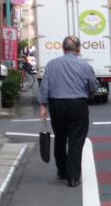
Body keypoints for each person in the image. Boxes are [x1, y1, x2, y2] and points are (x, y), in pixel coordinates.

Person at [37, 35, 97, 187]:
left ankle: (62, 171)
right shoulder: (85, 66)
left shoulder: (51, 65)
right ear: (78, 49)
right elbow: (93, 86)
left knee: (60, 137)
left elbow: (45, 86)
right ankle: (73, 177)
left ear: (63, 49)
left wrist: (43, 105)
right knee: (76, 140)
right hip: (78, 104)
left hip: (57, 105)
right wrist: (89, 95)